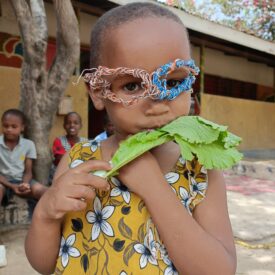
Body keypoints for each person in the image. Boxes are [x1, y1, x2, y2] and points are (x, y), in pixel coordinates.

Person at [25, 3, 236, 275]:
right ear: (99, 92)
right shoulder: (78, 161)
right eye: (132, 86)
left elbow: (219, 270)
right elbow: (43, 264)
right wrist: (45, 214)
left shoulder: (200, 170)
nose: (157, 103)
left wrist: (154, 188)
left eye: (172, 83)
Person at [0, 109, 47, 207]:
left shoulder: (28, 145)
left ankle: (48, 220)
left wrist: (24, 184)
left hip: (22, 180)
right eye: (6, 126)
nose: (9, 129)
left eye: (14, 126)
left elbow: (28, 171)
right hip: (3, 181)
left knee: (43, 191)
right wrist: (12, 186)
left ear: (22, 127)